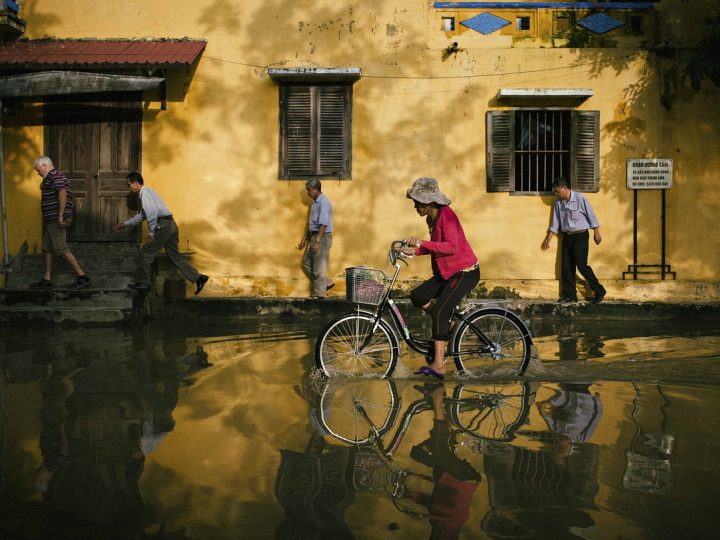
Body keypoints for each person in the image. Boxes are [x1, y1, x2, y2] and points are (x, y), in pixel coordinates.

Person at [403, 177, 480, 380]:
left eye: (417, 202)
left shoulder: (447, 216)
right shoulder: (432, 219)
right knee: (418, 296)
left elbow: (452, 247)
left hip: (465, 272)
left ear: (429, 202)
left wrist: (422, 243)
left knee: (439, 311)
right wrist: (414, 252)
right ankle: (452, 324)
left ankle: (439, 365)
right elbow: (437, 247)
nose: (415, 206)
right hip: (447, 273)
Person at [113, 172, 208, 295]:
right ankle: (198, 277)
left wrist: (152, 232)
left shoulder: (145, 193)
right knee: (175, 256)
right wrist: (125, 224)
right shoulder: (149, 192)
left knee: (144, 253)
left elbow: (152, 212)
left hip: (162, 225)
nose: (129, 187)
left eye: (129, 184)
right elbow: (143, 215)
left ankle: (144, 283)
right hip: (171, 225)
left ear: (136, 183)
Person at [541, 177, 606, 304]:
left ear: (565, 188)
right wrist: (548, 238)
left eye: (557, 191)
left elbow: (591, 215)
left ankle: (599, 290)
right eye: (555, 192)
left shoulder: (579, 198)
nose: (556, 194)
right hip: (567, 236)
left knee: (581, 265)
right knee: (566, 266)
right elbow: (555, 222)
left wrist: (596, 232)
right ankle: (570, 295)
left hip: (580, 236)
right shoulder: (558, 203)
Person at [30, 156, 91, 289]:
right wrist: (44, 181)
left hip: (56, 219)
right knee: (47, 248)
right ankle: (46, 280)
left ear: (45, 165)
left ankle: (83, 277)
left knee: (61, 249)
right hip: (51, 220)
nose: (37, 172)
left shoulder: (54, 176)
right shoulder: (53, 177)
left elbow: (62, 193)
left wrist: (60, 214)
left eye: (38, 169)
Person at [297, 179, 334, 299]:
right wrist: (304, 239)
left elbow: (323, 224)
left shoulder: (324, 203)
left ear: (315, 189)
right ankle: (326, 282)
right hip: (314, 236)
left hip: (321, 237)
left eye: (308, 190)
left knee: (319, 267)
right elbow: (311, 223)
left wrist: (317, 241)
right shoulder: (315, 203)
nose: (307, 193)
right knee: (306, 262)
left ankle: (319, 294)